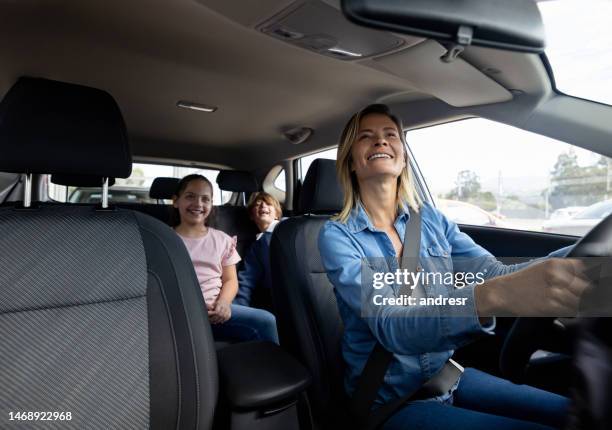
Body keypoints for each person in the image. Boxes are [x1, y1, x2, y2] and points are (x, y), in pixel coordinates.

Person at [318, 104, 590, 430]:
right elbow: (391, 325)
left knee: (583, 416)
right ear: (351, 160)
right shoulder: (337, 235)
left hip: (447, 377)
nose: (380, 142)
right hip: (388, 399)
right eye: (366, 137)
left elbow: (495, 273)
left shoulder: (431, 221)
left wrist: (583, 252)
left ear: (404, 157)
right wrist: (491, 296)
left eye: (390, 135)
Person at [172, 174, 278, 344]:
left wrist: (224, 304)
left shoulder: (222, 240)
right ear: (176, 201)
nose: (198, 204)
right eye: (190, 196)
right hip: (178, 311)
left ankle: (269, 368)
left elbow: (231, 280)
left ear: (211, 204)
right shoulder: (162, 238)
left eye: (205, 199)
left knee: (266, 320)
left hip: (216, 311)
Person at [235, 192, 283, 309]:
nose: (263, 206)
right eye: (258, 204)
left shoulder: (290, 227)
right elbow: (246, 279)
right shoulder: (257, 246)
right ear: (251, 215)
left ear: (277, 214)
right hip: (279, 298)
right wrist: (240, 308)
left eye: (268, 204)